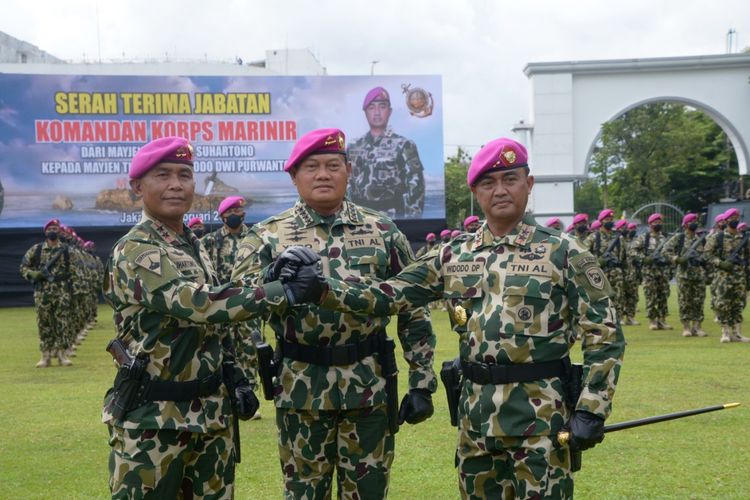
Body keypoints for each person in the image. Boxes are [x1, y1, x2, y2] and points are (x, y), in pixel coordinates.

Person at [299, 137, 624, 499]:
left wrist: (593, 408)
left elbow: (604, 332)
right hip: (476, 424)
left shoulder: (565, 253)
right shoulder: (453, 255)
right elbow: (389, 294)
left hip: (542, 422)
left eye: (510, 179)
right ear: (475, 192)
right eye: (488, 183)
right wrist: (321, 288)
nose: (500, 190)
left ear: (528, 184)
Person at [101, 136, 319, 498]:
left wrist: (234, 375)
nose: (176, 184)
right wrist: (283, 290)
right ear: (137, 186)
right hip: (155, 420)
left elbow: (221, 314)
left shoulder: (192, 243)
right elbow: (200, 305)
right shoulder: (136, 249)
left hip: (210, 414)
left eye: (185, 175)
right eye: (163, 175)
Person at [230, 128, 437, 499]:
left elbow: (412, 306)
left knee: (369, 493)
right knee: (304, 493)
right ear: (294, 176)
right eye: (311, 167)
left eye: (332, 165)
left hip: (368, 387)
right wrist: (271, 277)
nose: (323, 174)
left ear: (349, 169)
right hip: (300, 389)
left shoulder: (382, 230)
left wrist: (422, 382)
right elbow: (240, 304)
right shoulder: (266, 236)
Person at [202, 196, 263, 415]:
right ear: (223, 216)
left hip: (248, 302)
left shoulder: (255, 238)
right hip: (221, 303)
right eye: (232, 212)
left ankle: (249, 395)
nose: (237, 214)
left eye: (240, 210)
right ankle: (228, 393)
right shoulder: (211, 241)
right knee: (225, 349)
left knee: (249, 349)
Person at [347, 86, 426, 218]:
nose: (377, 112)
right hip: (359, 216)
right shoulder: (353, 146)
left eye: (382, 107)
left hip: (393, 216)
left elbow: (416, 185)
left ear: (389, 111)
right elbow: (346, 182)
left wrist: (413, 219)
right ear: (365, 112)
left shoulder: (404, 145)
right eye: (371, 108)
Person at [19, 219, 74, 367]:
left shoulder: (67, 251)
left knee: (63, 323)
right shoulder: (36, 250)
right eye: (51, 228)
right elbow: (23, 266)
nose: (53, 231)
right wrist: (33, 274)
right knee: (44, 324)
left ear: (59, 231)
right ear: (45, 231)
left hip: (62, 292)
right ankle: (45, 356)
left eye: (56, 228)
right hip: (42, 293)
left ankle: (62, 355)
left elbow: (75, 272)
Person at [704, 208, 750, 343]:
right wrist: (720, 263)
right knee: (723, 304)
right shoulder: (717, 238)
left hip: (739, 277)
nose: (735, 220)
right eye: (732, 218)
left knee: (739, 304)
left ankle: (736, 333)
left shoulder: (744, 238)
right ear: (726, 221)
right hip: (723, 277)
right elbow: (707, 254)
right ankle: (725, 332)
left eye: (736, 218)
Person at [663, 213, 709, 337]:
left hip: (699, 274)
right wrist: (676, 259)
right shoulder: (679, 238)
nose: (695, 223)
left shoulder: (701, 239)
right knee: (685, 301)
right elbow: (665, 250)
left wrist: (702, 260)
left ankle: (697, 327)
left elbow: (708, 254)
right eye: (692, 221)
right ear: (686, 224)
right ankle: (686, 327)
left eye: (696, 221)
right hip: (684, 275)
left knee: (699, 300)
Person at [630, 213, 673, 330]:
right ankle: (652, 320)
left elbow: (670, 252)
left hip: (662, 272)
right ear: (650, 224)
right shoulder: (644, 238)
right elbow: (632, 250)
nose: (658, 224)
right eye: (655, 223)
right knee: (651, 296)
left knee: (663, 295)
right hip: (649, 272)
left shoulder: (665, 238)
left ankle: (662, 320)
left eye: (660, 222)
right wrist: (643, 258)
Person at [584, 209, 626, 321]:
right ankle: (602, 320)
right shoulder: (593, 237)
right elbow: (583, 256)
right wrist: (598, 262)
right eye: (607, 219)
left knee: (618, 298)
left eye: (611, 220)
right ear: (601, 221)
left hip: (616, 273)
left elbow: (623, 257)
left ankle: (617, 321)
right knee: (601, 300)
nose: (610, 222)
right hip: (599, 274)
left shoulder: (619, 238)